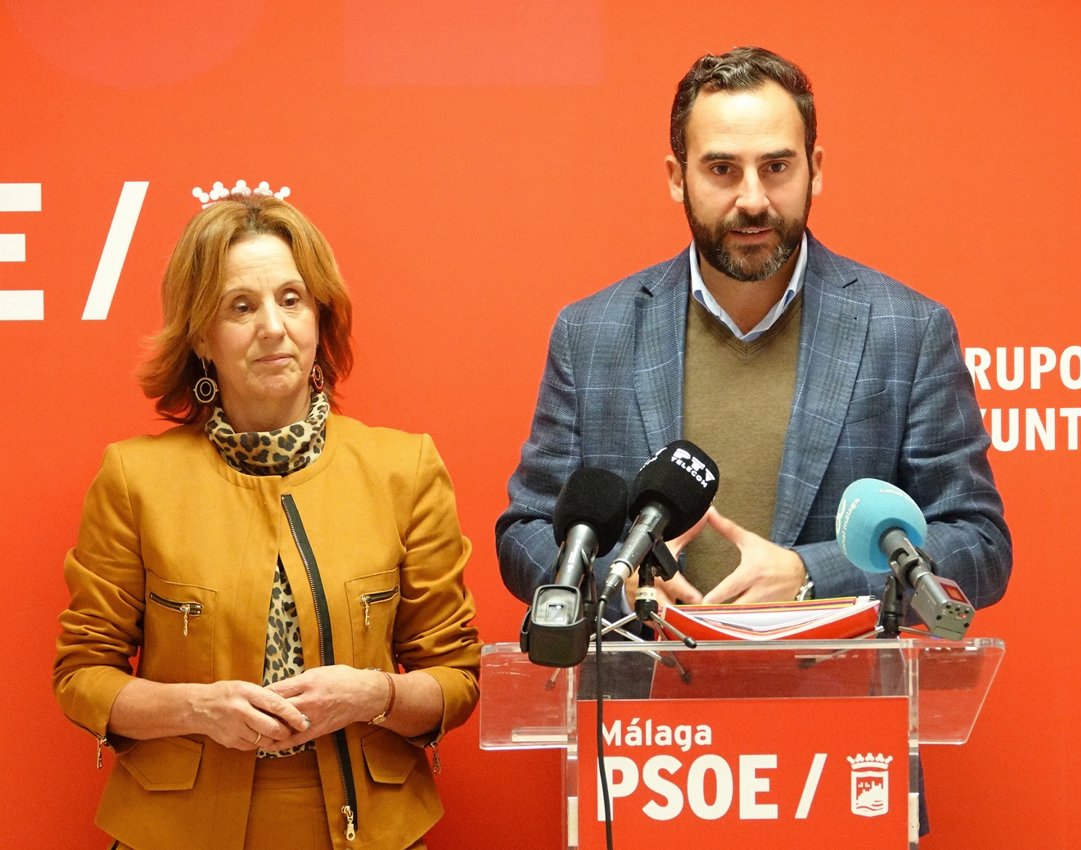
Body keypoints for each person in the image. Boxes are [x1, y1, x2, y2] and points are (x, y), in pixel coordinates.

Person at [496, 46, 1011, 620]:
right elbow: (526, 532)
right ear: (677, 178)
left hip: (830, 679)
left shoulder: (908, 331)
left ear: (816, 169)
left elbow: (978, 545)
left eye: (776, 167)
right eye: (722, 169)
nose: (752, 200)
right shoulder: (592, 334)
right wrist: (618, 582)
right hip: (648, 677)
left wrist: (812, 576)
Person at [53, 184, 481, 850]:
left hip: (367, 830)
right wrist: (198, 708)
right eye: (240, 306)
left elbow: (456, 678)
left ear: (320, 318)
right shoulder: (137, 478)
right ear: (201, 336)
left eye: (291, 299)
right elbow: (82, 676)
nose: (273, 327)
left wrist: (374, 694)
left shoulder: (405, 469)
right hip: (178, 833)